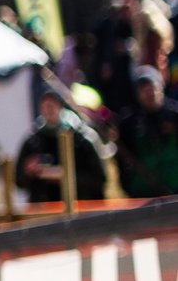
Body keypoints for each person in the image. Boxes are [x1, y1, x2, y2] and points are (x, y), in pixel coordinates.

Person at [16, 82, 111, 206]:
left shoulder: (81, 139)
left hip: (79, 206)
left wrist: (66, 175)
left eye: (52, 105)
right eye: (45, 106)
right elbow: (19, 181)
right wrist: (29, 171)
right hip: (44, 208)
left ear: (60, 106)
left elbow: (99, 179)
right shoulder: (32, 143)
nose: (48, 110)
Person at [119, 67, 178, 198]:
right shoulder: (129, 124)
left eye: (152, 88)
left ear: (161, 88)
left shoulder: (175, 115)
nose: (150, 93)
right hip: (143, 195)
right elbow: (123, 161)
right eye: (144, 90)